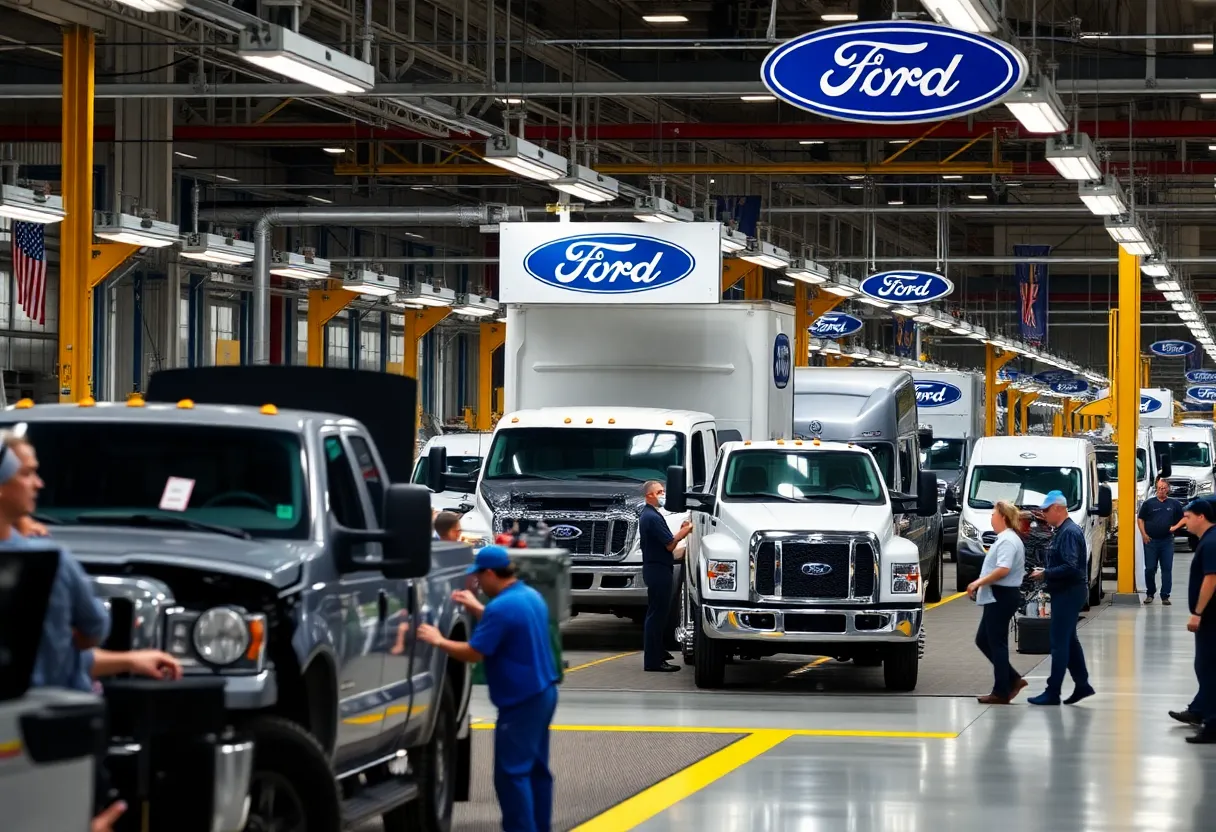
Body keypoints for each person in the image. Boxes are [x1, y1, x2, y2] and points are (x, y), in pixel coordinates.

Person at [417, 546, 558, 832]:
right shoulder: (530, 597)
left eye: (479, 578)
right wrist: (479, 609)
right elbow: (509, 627)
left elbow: (474, 652)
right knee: (536, 770)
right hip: (544, 693)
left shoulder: (501, 608)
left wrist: (437, 640)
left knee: (512, 774)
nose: (478, 585)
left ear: (491, 573)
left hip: (521, 702)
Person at [1028, 490, 1095, 706]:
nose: (1044, 515)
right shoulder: (1063, 531)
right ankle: (1082, 684)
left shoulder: (1069, 533)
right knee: (1069, 640)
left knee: (1058, 642)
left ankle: (1053, 691)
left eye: (1046, 510)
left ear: (1058, 508)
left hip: (1069, 592)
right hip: (1066, 591)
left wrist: (1045, 573)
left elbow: (1071, 566)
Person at [968, 500, 1028, 704]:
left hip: (1002, 595)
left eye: (994, 513)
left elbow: (1003, 568)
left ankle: (1002, 690)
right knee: (984, 639)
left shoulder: (1008, 541)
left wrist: (978, 582)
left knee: (996, 642)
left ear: (1002, 517)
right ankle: (1012, 678)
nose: (991, 517)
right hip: (999, 595)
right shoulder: (1005, 539)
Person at [638, 479, 693, 673]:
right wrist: (684, 531)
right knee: (657, 615)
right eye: (659, 492)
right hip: (658, 570)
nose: (663, 494)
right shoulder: (651, 517)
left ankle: (658, 652)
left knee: (657, 614)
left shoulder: (651, 515)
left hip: (656, 568)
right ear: (649, 496)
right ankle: (653, 661)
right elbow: (669, 544)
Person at [1176, 500, 1216, 743]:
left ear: (1201, 517)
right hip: (1209, 619)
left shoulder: (1211, 542)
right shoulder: (1208, 540)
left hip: (1211, 619)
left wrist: (1198, 612)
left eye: (1188, 516)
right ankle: (1204, 715)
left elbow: (1211, 579)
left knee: (1207, 669)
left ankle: (1211, 724)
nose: (1185, 521)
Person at [1138, 476, 1186, 605]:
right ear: (1156, 489)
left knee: (1166, 568)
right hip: (1151, 542)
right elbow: (1140, 519)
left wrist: (1175, 527)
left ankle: (1165, 595)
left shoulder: (1174, 504)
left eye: (1164, 488)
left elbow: (1184, 518)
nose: (1161, 490)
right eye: (1159, 488)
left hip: (1167, 542)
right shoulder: (1149, 504)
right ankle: (1150, 593)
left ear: (1168, 489)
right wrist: (1144, 534)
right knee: (1149, 568)